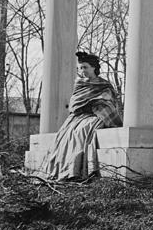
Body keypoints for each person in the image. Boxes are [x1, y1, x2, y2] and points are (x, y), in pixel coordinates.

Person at [41, 51, 122, 181]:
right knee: (67, 135)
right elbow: (74, 102)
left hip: (96, 114)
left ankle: (78, 169)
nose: (82, 70)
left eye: (85, 67)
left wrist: (98, 102)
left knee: (85, 130)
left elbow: (108, 99)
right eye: (81, 67)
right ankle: (68, 168)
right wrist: (92, 101)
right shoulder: (80, 83)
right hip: (79, 115)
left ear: (94, 67)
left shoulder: (104, 84)